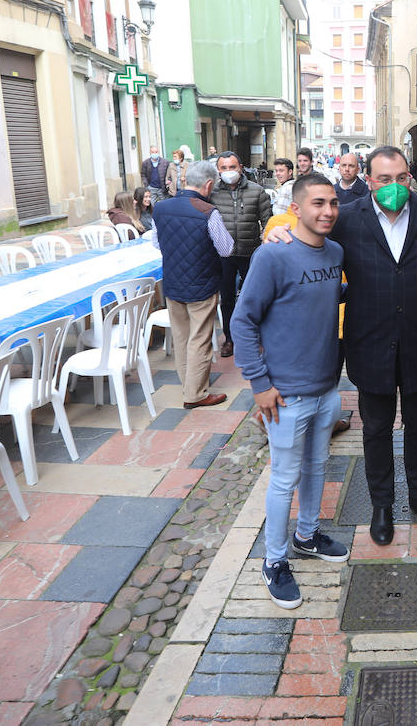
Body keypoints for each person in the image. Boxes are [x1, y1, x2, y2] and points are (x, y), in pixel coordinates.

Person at [266, 146, 417, 545]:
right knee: (376, 431)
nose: (394, 185)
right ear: (369, 180)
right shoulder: (347, 218)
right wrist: (275, 232)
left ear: (409, 177)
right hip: (370, 345)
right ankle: (382, 504)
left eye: (401, 177)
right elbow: (308, 235)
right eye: (384, 178)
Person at [232, 173, 349, 608]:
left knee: (318, 465)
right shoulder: (273, 255)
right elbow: (242, 321)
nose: (328, 211)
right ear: (295, 208)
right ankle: (274, 560)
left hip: (326, 387)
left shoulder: (335, 251)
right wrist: (259, 384)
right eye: (318, 203)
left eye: (333, 203)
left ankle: (307, 535)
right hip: (285, 394)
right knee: (284, 478)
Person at [151, 159, 234, 408]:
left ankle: (189, 386)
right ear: (208, 185)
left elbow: (156, 243)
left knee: (181, 337)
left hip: (173, 282)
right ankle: (195, 394)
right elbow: (227, 248)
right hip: (202, 283)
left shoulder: (161, 208)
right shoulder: (208, 212)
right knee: (199, 339)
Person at [210, 151, 274, 359]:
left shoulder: (257, 191)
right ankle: (229, 339)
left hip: (251, 253)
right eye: (224, 168)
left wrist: (265, 247)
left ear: (241, 167)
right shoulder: (212, 193)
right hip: (223, 255)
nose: (229, 172)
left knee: (253, 298)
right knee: (227, 299)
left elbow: (268, 221)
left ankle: (254, 337)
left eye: (232, 167)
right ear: (218, 170)